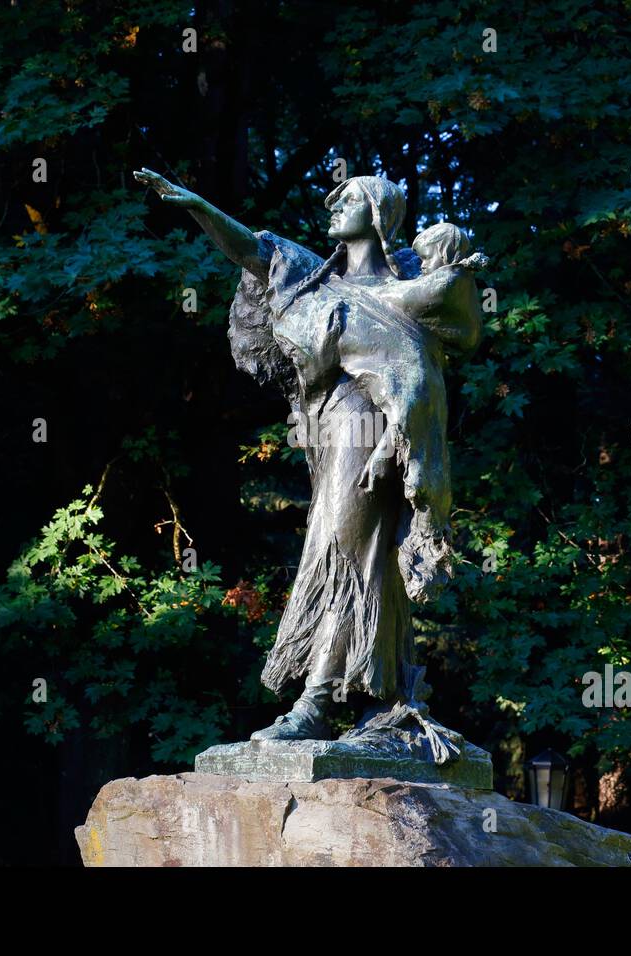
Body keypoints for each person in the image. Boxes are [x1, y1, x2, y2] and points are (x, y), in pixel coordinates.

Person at [134, 168, 482, 753]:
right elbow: (255, 252)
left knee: (340, 552)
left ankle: (315, 704)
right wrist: (198, 205)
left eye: (343, 200)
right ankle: (387, 695)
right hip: (332, 437)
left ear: (374, 211)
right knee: (361, 558)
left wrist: (391, 443)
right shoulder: (318, 284)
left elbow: (418, 380)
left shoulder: (402, 296)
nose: (330, 209)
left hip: (372, 439)